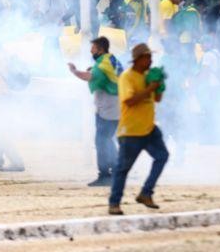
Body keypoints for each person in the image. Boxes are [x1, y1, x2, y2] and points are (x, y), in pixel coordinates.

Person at [108, 43, 169, 216]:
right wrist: (150, 87)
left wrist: (159, 86)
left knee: (162, 156)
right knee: (122, 169)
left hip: (149, 128)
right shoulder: (127, 77)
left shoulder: (148, 75)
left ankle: (146, 193)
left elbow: (156, 99)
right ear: (138, 59)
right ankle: (114, 203)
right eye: (147, 57)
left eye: (151, 57)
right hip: (131, 131)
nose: (150, 61)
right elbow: (129, 101)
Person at [68, 37, 123, 187]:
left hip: (109, 106)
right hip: (115, 104)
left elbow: (90, 77)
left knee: (102, 140)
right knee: (107, 138)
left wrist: (74, 71)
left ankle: (105, 175)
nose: (91, 50)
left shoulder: (103, 63)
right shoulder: (110, 59)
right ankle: (118, 169)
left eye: (93, 48)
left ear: (100, 49)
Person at [38, 0, 69, 69]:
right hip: (59, 25)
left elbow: (43, 10)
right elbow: (66, 8)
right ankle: (59, 67)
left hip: (50, 25)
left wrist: (38, 19)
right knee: (54, 45)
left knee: (48, 45)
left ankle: (45, 67)